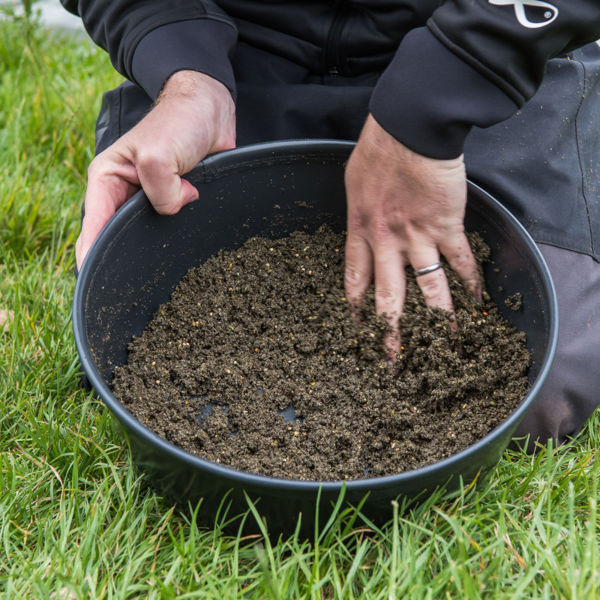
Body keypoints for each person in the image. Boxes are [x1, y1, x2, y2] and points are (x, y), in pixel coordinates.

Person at [62, 0, 600, 450]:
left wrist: (446, 88)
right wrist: (181, 65)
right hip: (239, 45)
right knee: (122, 336)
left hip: (482, 38)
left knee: (545, 390)